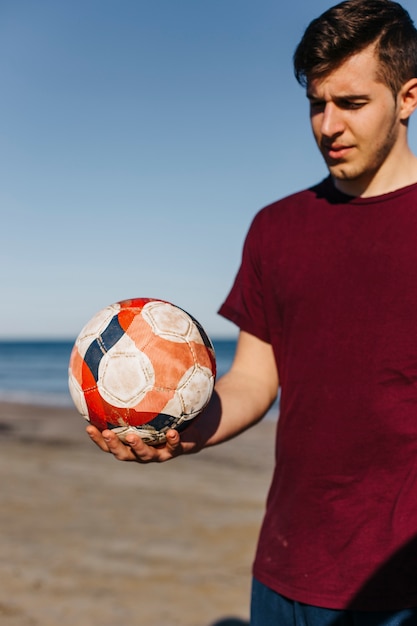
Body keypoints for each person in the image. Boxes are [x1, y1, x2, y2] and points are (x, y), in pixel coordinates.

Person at [87, 0, 417, 623]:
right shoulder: (277, 228)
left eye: (351, 104)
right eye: (317, 104)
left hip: (395, 581)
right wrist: (180, 431)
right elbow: (253, 380)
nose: (328, 126)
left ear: (408, 97)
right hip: (283, 566)